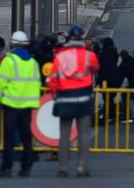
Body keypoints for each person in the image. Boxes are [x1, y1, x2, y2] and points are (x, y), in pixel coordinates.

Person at [48, 24, 100, 178]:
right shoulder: (88, 55)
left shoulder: (59, 56)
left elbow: (52, 79)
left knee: (64, 135)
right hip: (83, 98)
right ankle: (82, 167)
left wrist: (54, 95)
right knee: (83, 133)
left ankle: (63, 168)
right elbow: (96, 68)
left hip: (64, 98)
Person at [0, 31, 41, 178]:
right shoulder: (33, 62)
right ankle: (26, 166)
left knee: (9, 138)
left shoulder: (9, 61)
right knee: (26, 137)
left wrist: (0, 99)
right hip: (27, 106)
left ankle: (6, 167)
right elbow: (37, 82)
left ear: (12, 44)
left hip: (11, 104)